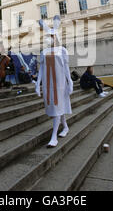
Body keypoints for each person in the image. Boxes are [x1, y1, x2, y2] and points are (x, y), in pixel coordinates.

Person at [35, 15, 73, 148]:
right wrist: (37, 84)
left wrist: (70, 82)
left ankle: (54, 136)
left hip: (60, 83)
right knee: (56, 107)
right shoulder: (44, 52)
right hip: (48, 84)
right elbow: (41, 69)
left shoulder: (62, 50)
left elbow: (66, 68)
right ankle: (66, 127)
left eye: (51, 37)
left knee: (57, 107)